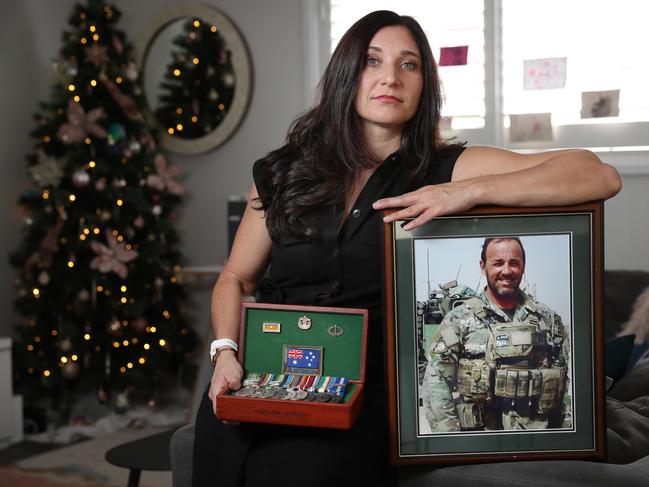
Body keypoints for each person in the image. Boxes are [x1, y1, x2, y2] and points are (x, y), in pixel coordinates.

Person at [192, 10, 621, 487]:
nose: (390, 78)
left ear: (424, 84)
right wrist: (224, 353)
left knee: (301, 471)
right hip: (264, 373)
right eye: (372, 61)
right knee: (218, 453)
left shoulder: (447, 167)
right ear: (345, 75)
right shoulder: (281, 171)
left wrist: (464, 192)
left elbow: (597, 174)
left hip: (367, 389)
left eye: (408, 64)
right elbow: (236, 279)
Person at [422, 237, 570, 432]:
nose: (506, 271)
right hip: (482, 438)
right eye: (498, 263)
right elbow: (437, 380)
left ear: (523, 266)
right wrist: (450, 439)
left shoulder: (548, 319)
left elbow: (563, 381)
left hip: (538, 437)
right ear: (483, 267)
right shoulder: (458, 320)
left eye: (514, 263)